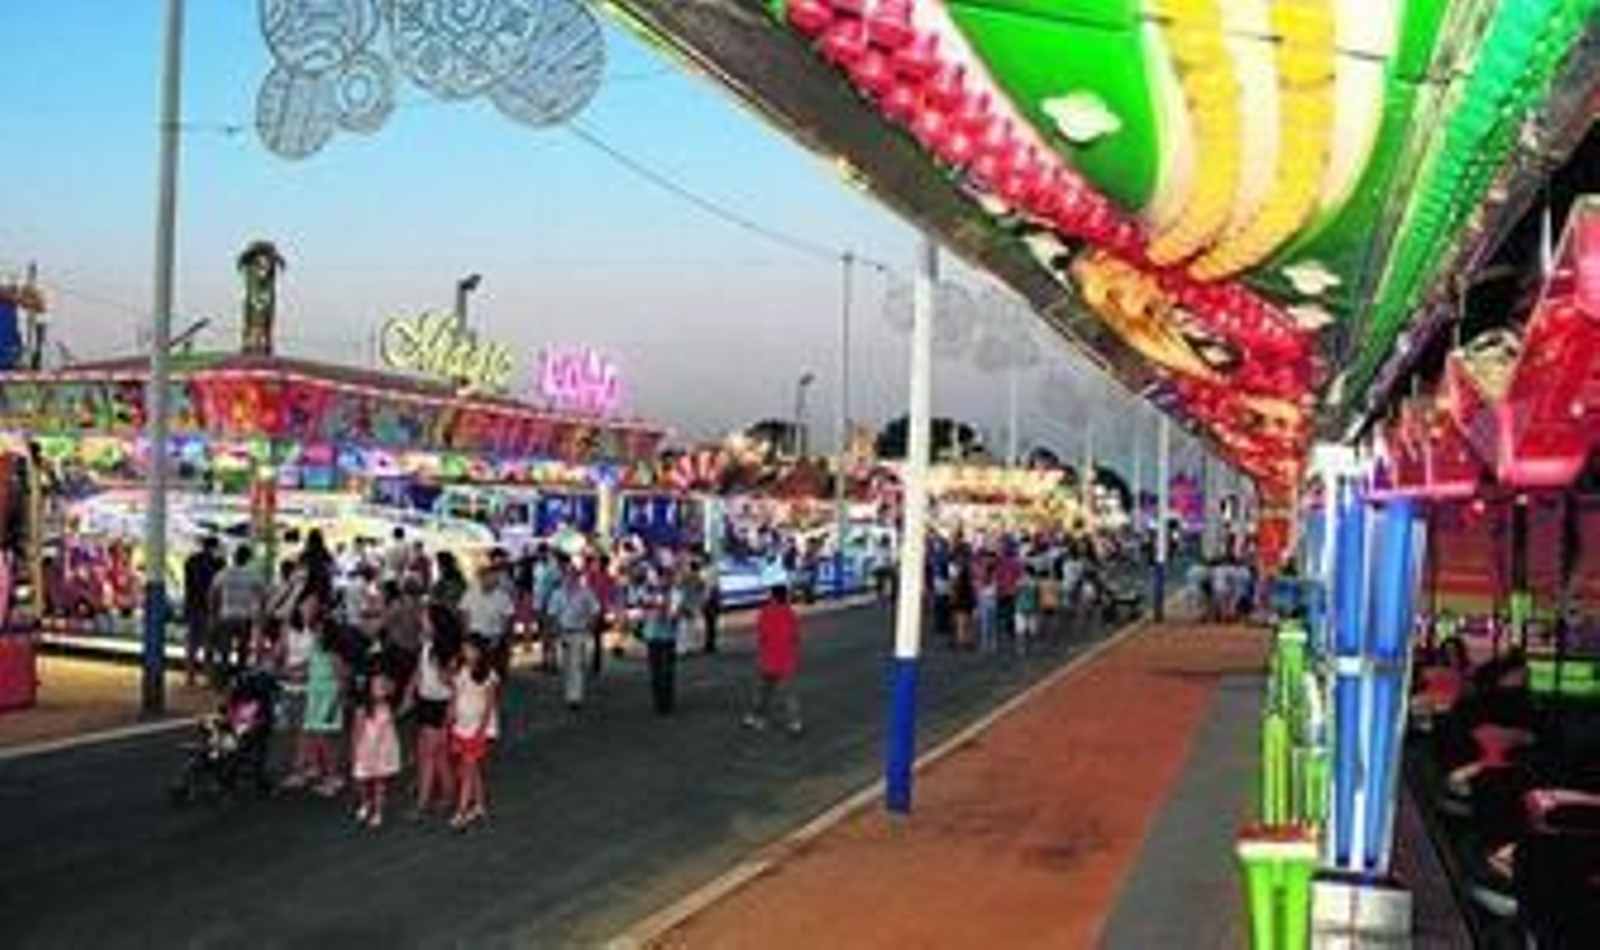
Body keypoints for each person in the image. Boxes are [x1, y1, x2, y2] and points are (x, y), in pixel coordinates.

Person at [283, 593, 345, 796]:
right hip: (316, 699)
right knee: (320, 739)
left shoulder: (332, 654)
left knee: (326, 741)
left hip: (326, 700)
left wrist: (336, 703)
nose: (314, 634)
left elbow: (341, 679)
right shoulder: (318, 652)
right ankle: (325, 774)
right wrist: (289, 673)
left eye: (318, 631)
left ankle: (334, 777)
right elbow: (305, 668)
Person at [408, 603, 460, 821]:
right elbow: (419, 672)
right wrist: (410, 692)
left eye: (425, 618)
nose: (421, 620)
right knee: (434, 754)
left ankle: (422, 804)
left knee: (430, 755)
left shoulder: (444, 651)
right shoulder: (427, 644)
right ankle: (448, 794)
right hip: (426, 703)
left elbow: (454, 685)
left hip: (440, 706)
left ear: (436, 624)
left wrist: (451, 709)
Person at [449, 635, 500, 831]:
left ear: (479, 652)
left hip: (476, 729)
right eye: (464, 649)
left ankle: (462, 811)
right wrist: (451, 718)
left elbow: (489, 706)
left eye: (469, 649)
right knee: (472, 768)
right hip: (461, 726)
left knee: (467, 769)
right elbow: (455, 695)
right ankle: (479, 804)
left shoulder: (489, 675)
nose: (465, 653)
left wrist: (481, 731)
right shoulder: (460, 670)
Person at [744, 585, 803, 735]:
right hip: (786, 659)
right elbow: (795, 637)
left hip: (768, 658)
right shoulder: (790, 613)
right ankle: (794, 723)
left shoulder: (765, 612)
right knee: (789, 694)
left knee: (763, 691)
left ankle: (754, 717)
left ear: (773, 596)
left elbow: (761, 636)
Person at [548, 559, 601, 714]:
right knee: (566, 666)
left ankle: (575, 698)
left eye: (574, 575)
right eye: (569, 575)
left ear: (578, 577)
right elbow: (552, 614)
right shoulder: (557, 593)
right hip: (563, 632)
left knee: (576, 666)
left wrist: (590, 626)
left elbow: (595, 610)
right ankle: (569, 693)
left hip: (579, 632)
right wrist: (554, 632)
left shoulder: (586, 592)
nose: (571, 578)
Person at [350, 671, 401, 830]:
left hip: (383, 750)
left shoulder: (389, 706)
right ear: (368, 688)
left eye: (383, 686)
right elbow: (356, 730)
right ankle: (366, 803)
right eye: (377, 686)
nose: (381, 688)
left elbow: (391, 729)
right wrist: (354, 749)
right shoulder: (363, 708)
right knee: (361, 779)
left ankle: (378, 812)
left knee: (380, 782)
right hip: (365, 748)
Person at [210, 544, 266, 682]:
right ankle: (240, 679)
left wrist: (214, 613)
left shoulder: (223, 573)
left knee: (225, 650)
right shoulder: (253, 574)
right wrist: (260, 611)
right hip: (245, 617)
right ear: (248, 558)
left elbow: (213, 594)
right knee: (243, 650)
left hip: (226, 615)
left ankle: (222, 680)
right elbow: (264, 594)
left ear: (235, 557)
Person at [462, 560, 515, 678]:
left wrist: (504, 637)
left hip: (493, 638)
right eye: (491, 577)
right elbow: (465, 613)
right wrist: (466, 634)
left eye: (496, 578)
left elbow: (508, 618)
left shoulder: (502, 596)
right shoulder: (471, 593)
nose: (495, 580)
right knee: (474, 670)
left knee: (492, 671)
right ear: (482, 578)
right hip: (474, 637)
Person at [181, 537, 223, 685]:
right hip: (209, 608)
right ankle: (208, 677)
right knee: (208, 644)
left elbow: (187, 584)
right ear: (214, 547)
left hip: (192, 606)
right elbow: (217, 590)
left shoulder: (190, 561)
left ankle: (190, 676)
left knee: (192, 644)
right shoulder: (218, 563)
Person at [639, 569, 680, 715]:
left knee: (668, 670)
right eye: (661, 578)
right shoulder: (649, 591)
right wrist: (652, 604)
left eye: (667, 578)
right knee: (655, 670)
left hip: (669, 637)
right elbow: (642, 604)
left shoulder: (675, 593)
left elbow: (674, 614)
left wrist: (667, 610)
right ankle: (658, 701)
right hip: (652, 636)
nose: (664, 581)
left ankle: (667, 701)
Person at [698, 554, 722, 655]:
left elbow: (711, 586)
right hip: (710, 598)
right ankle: (710, 644)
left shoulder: (706, 571)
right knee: (710, 623)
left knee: (710, 623)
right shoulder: (710, 570)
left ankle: (709, 644)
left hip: (709, 599)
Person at [1015, 567, 1041, 656]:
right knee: (1032, 629)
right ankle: (1033, 646)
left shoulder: (1020, 582)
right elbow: (1037, 594)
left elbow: (1016, 593)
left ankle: (1021, 649)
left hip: (1021, 608)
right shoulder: (1034, 582)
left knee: (1021, 630)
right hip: (1031, 608)